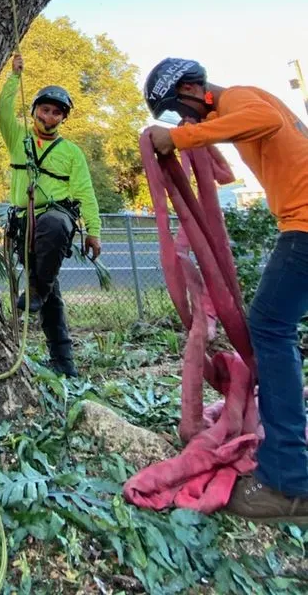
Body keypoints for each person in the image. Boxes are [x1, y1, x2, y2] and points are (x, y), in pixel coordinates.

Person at [144, 57, 308, 523]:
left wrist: (177, 138)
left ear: (194, 89)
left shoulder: (240, 99)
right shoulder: (235, 106)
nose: (186, 121)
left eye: (182, 110)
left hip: (306, 225)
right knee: (278, 330)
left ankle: (289, 481)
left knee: (270, 330)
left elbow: (265, 120)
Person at [0, 53, 102, 377]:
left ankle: (38, 290)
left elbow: (85, 192)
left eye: (57, 112)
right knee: (51, 296)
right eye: (45, 109)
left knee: (55, 226)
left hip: (56, 218)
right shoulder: (20, 141)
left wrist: (93, 230)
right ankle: (64, 362)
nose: (50, 116)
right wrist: (14, 77)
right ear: (35, 111)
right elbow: (1, 110)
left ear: (63, 118)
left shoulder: (71, 153)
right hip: (24, 224)